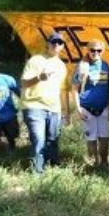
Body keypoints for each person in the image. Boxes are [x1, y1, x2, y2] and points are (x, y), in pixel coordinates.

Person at [20, 32, 69, 173]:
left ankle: (53, 168)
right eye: (53, 42)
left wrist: (65, 111)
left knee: (53, 140)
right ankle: (37, 172)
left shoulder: (61, 66)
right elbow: (23, 82)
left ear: (62, 47)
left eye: (59, 43)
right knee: (39, 139)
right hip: (34, 106)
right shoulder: (35, 60)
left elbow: (63, 90)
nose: (56, 45)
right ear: (48, 44)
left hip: (54, 108)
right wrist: (39, 77)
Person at [72, 39, 109, 169]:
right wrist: (78, 108)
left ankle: (104, 162)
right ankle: (94, 162)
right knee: (91, 139)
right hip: (86, 108)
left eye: (98, 50)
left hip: (103, 108)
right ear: (88, 51)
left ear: (102, 52)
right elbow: (74, 88)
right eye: (92, 50)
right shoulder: (82, 66)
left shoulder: (106, 66)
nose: (95, 53)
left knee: (104, 138)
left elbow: (108, 89)